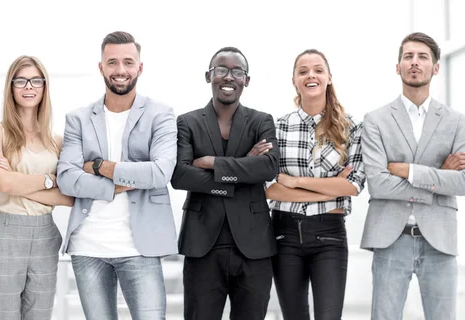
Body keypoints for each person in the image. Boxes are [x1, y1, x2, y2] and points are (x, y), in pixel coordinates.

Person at [56, 31, 177, 320]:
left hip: (141, 247)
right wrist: (118, 185)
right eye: (112, 62)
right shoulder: (78, 119)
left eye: (127, 62)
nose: (120, 70)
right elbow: (66, 178)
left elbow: (160, 172)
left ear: (140, 67)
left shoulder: (161, 114)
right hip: (88, 246)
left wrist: (98, 167)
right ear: (101, 67)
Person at [361, 32, 465, 320]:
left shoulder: (457, 122)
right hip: (390, 239)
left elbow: (463, 182)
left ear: (435, 67)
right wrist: (439, 177)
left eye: (422, 57)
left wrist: (408, 170)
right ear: (398, 67)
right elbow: (378, 184)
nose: (414, 62)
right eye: (408, 56)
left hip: (440, 240)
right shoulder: (375, 120)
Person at [170, 46, 279, 320]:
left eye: (237, 71)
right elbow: (180, 175)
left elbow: (268, 167)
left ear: (246, 80)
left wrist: (212, 163)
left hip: (253, 247)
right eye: (221, 70)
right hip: (202, 244)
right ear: (209, 76)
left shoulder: (261, 121)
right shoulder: (187, 122)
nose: (229, 77)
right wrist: (242, 169)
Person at [265, 49, 366, 320]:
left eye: (318, 70)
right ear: (294, 81)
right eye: (303, 71)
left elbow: (353, 187)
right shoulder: (277, 127)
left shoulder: (350, 128)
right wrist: (329, 185)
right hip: (284, 233)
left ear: (329, 78)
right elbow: (270, 190)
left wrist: (295, 182)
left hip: (329, 235)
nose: (311, 75)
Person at [0, 55, 73, 319]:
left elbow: (69, 197)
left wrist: (17, 184)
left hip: (45, 233)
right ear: (10, 87)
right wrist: (49, 180)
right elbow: (5, 182)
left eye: (35, 80)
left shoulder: (58, 141)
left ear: (45, 87)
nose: (28, 87)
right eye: (20, 81)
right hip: (7, 232)